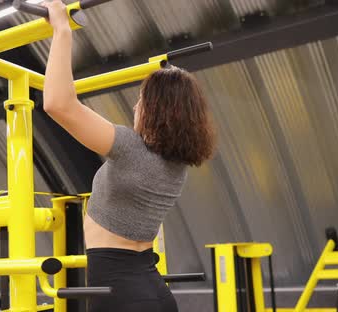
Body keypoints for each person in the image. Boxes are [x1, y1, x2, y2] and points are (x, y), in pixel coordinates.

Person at [41, 1, 215, 311]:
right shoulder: (178, 166)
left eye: (141, 101)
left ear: (159, 111)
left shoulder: (130, 150)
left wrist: (62, 30)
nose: (135, 108)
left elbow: (58, 104)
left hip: (120, 293)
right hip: (151, 291)